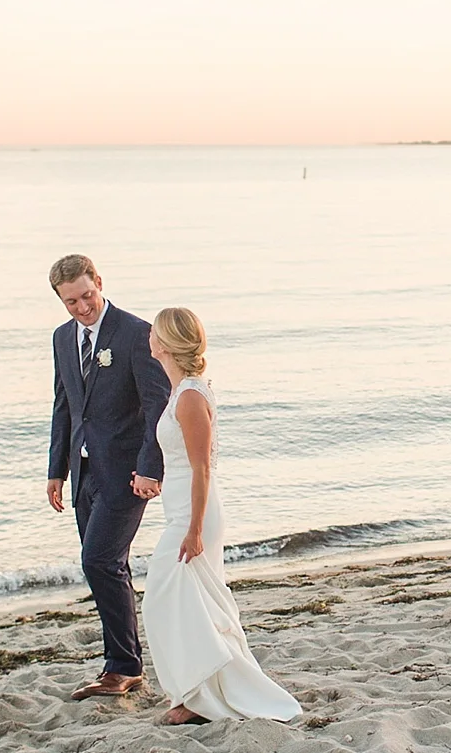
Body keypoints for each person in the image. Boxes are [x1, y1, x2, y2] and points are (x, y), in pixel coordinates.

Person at [141, 307, 302, 724]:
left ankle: (197, 697)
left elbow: (202, 468)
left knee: (165, 597)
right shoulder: (181, 390)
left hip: (194, 514)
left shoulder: (192, 396)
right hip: (181, 508)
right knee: (188, 604)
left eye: (154, 332)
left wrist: (194, 529)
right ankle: (192, 695)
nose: (149, 338)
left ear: (167, 343)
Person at [45, 254, 170, 700]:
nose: (81, 308)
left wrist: (150, 468)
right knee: (108, 566)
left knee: (98, 561)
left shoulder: (137, 334)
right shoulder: (62, 339)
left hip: (125, 474)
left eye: (86, 296)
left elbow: (158, 405)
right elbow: (64, 404)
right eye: (71, 302)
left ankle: (122, 665)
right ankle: (124, 664)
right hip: (82, 473)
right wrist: (56, 469)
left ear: (99, 281)